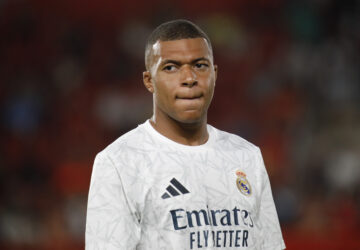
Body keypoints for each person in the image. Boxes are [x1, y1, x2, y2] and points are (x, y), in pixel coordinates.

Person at [85, 19, 285, 250]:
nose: (189, 78)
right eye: (171, 67)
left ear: (215, 73)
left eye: (200, 65)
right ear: (149, 81)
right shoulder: (119, 163)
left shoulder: (247, 156)